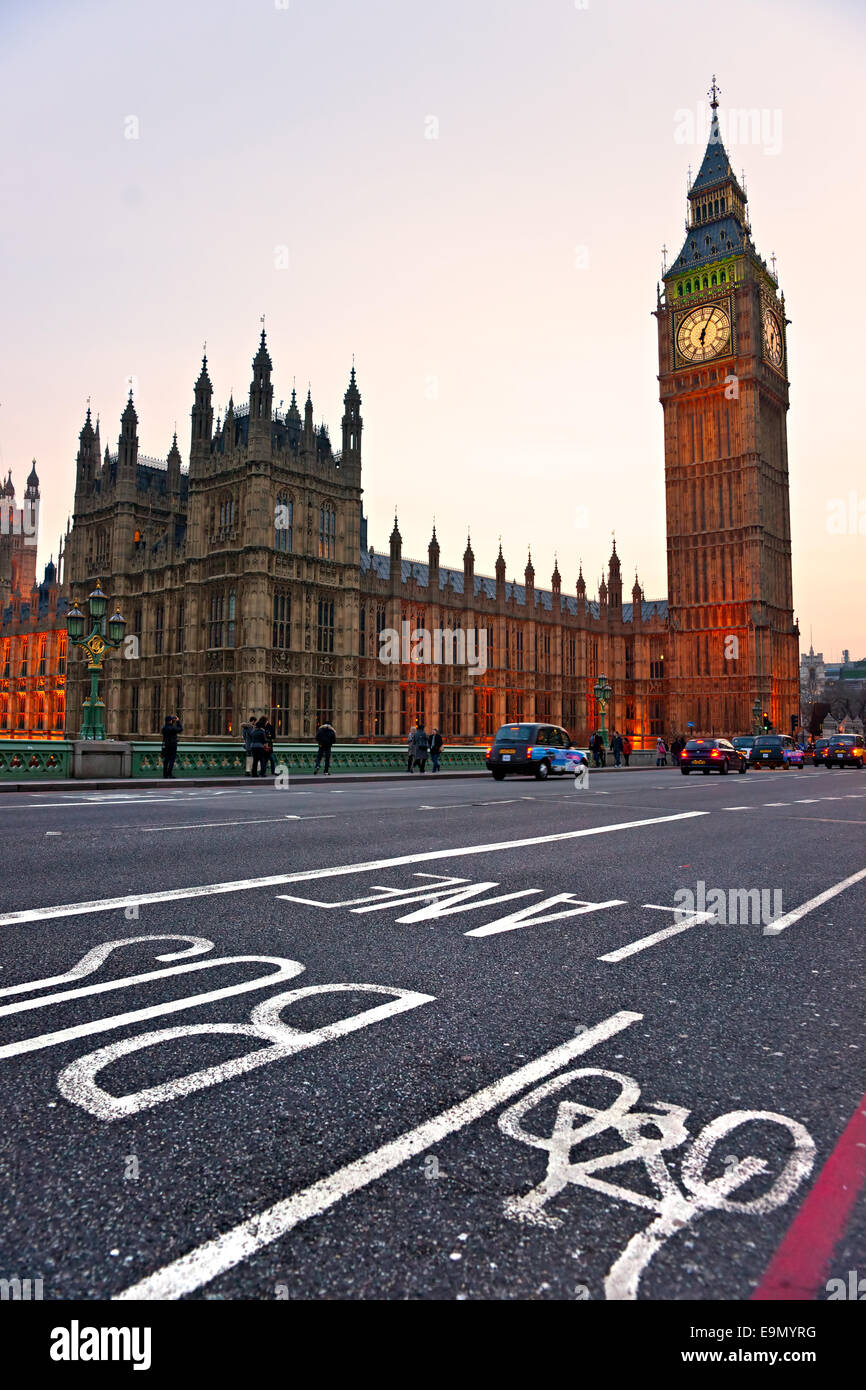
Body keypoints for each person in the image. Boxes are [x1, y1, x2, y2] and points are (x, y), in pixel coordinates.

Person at [160, 714, 182, 779]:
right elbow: (180, 729)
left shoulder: (163, 728)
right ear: (170, 721)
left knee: (166, 760)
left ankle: (165, 774)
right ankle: (169, 774)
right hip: (172, 745)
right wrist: (178, 721)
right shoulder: (172, 728)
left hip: (165, 745)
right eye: (172, 720)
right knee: (172, 760)